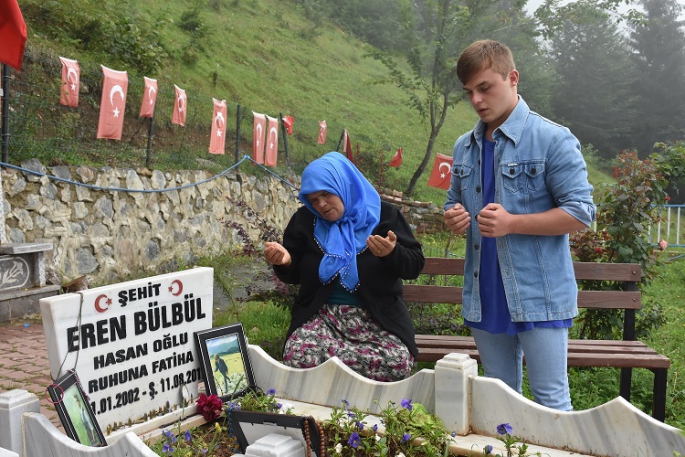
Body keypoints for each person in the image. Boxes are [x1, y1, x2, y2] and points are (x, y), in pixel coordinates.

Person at [443, 40, 596, 411]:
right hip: (484, 294)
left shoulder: (553, 139)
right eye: (469, 92)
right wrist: (453, 217)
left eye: (485, 87)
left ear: (512, 78)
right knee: (500, 402)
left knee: (551, 403)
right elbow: (452, 202)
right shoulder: (465, 146)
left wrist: (512, 223)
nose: (477, 100)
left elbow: (581, 213)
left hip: (540, 294)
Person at [264, 152, 425, 382]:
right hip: (322, 317)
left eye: (326, 194)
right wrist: (285, 261)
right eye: (313, 200)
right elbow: (296, 272)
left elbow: (414, 265)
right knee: (299, 354)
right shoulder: (304, 221)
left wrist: (392, 253)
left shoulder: (384, 216)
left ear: (343, 185)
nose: (321, 204)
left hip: (377, 319)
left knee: (395, 362)